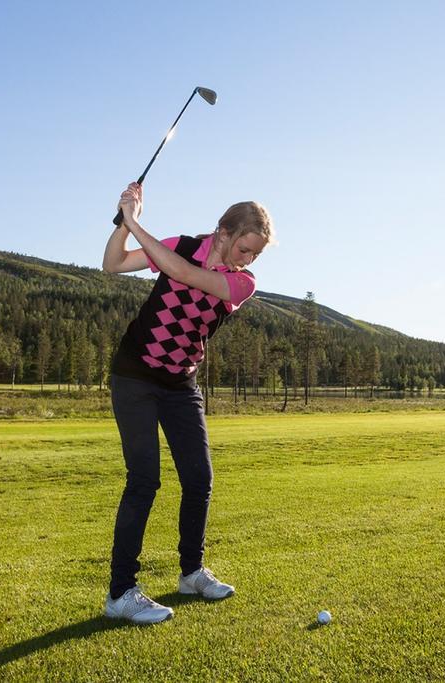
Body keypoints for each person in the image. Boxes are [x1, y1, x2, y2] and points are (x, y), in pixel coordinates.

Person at [100, 182, 273, 624]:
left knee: (199, 479)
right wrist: (124, 220)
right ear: (223, 231)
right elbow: (113, 264)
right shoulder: (183, 245)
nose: (247, 259)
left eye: (254, 254)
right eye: (244, 248)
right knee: (144, 481)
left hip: (180, 385)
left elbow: (184, 274)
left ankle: (191, 572)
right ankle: (121, 592)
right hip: (135, 375)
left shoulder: (242, 283)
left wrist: (137, 221)